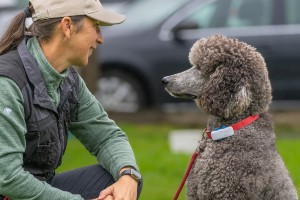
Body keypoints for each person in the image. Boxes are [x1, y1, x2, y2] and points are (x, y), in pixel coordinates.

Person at [0, 0, 142, 199]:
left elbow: (107, 136)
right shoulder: (7, 84)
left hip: (35, 188)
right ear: (67, 26)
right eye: (95, 27)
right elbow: (7, 178)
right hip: (10, 191)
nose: (100, 39)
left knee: (123, 183)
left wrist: (129, 174)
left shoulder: (68, 79)